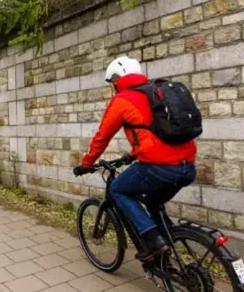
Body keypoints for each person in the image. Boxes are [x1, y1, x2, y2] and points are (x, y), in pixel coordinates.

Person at [74, 56, 197, 260]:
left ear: (117, 80)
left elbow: (101, 138)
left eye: (113, 83)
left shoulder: (123, 99)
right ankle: (168, 238)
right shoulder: (156, 93)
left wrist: (86, 164)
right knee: (153, 201)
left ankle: (153, 241)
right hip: (187, 167)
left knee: (117, 189)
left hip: (159, 167)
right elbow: (154, 134)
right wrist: (132, 155)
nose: (113, 87)